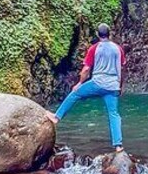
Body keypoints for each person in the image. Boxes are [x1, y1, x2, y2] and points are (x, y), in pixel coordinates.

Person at [46, 23, 126, 152]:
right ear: (109, 34)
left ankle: (56, 117)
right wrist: (120, 86)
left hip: (97, 83)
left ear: (97, 34)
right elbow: (121, 70)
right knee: (114, 114)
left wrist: (79, 83)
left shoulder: (94, 49)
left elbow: (86, 69)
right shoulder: (118, 49)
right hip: (112, 86)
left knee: (75, 94)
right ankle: (118, 145)